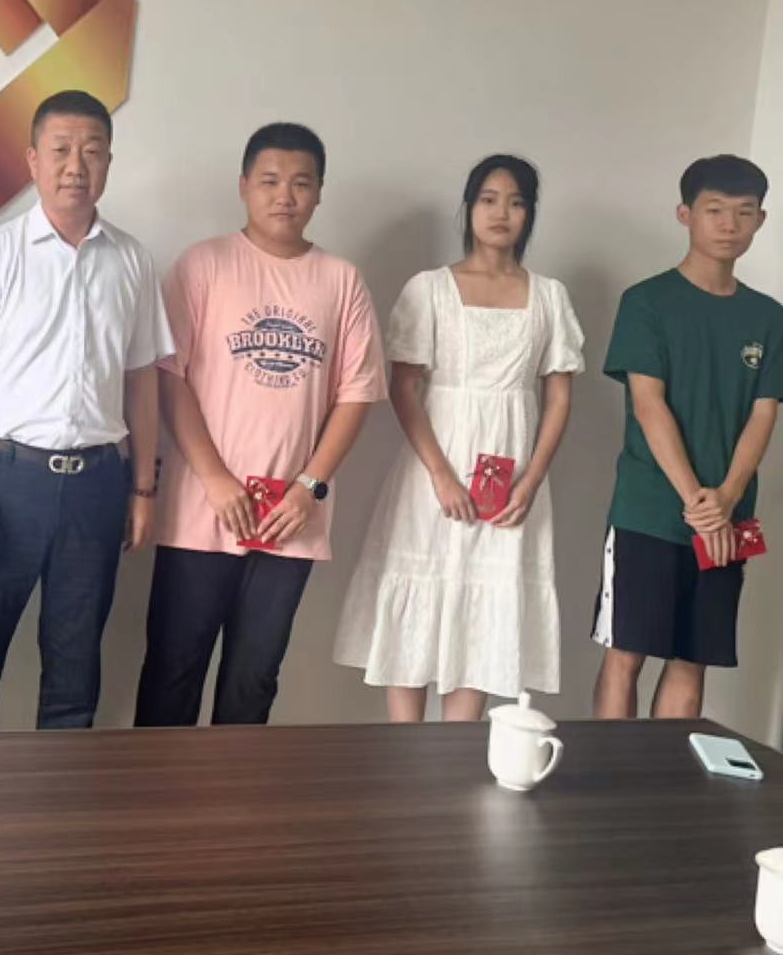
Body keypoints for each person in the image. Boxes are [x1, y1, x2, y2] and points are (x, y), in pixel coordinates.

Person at [0, 89, 171, 732]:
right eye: (61, 150)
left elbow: (142, 382)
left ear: (109, 162)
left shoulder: (132, 260)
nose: (76, 166)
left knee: (74, 676)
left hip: (97, 484)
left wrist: (142, 489)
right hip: (5, 479)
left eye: (92, 151)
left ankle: (59, 798)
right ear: (33, 160)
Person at [135, 122, 383, 728]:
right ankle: (152, 791)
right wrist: (216, 479)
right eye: (270, 181)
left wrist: (309, 487)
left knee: (254, 680)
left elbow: (357, 394)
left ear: (319, 192)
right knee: (172, 673)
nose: (284, 196)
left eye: (301, 183)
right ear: (244, 185)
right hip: (202, 513)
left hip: (289, 520)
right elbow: (169, 377)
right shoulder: (203, 265)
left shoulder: (341, 280)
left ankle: (234, 793)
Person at [334, 155, 583, 722]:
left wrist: (531, 480)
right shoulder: (429, 289)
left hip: (513, 480)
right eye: (489, 199)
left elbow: (560, 398)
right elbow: (404, 387)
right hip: (433, 471)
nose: (501, 213)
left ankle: (456, 751)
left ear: (530, 214)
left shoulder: (549, 296)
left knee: (483, 607)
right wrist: (442, 475)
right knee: (420, 597)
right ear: (469, 207)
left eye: (516, 202)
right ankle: (404, 749)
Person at [592, 155, 780, 720]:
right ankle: (610, 771)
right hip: (649, 509)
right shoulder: (646, 301)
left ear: (761, 220)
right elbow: (649, 405)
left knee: (692, 659)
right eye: (715, 210)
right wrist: (699, 503)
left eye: (743, 212)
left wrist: (725, 501)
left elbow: (763, 416)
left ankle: (665, 774)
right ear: (685, 214)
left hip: (729, 518)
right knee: (626, 653)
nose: (729, 224)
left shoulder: (769, 317)